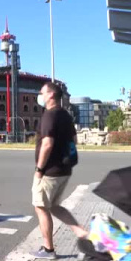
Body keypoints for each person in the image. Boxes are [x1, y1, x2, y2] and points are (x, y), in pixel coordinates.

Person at [30, 82, 88, 259]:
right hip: (64, 169)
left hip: (50, 171)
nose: (39, 96)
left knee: (40, 207)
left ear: (51, 95)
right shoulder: (65, 115)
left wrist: (39, 169)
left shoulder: (49, 115)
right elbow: (74, 140)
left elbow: (47, 144)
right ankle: (83, 234)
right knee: (54, 206)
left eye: (42, 93)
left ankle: (48, 250)